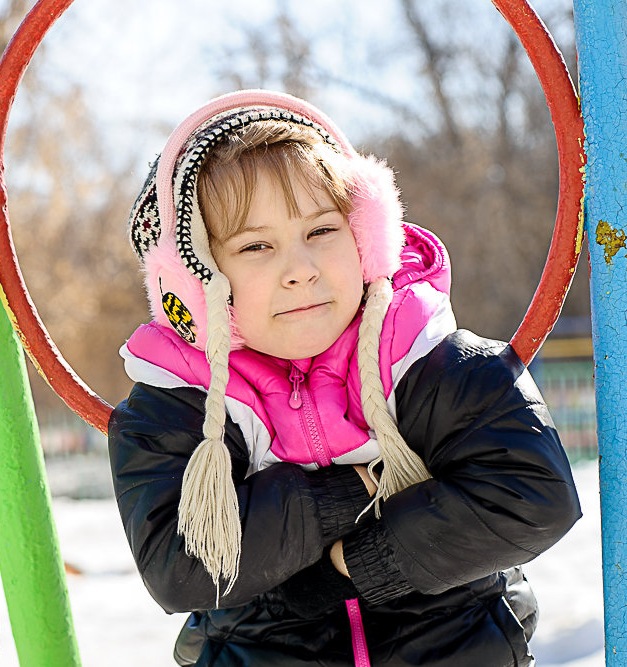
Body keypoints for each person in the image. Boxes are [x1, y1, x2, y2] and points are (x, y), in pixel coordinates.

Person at [108, 89, 581, 666]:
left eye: (321, 232)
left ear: (366, 238)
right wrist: (353, 492)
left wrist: (349, 568)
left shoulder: (424, 355)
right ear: (193, 282)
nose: (300, 271)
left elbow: (533, 495)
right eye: (256, 245)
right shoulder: (177, 404)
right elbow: (181, 566)